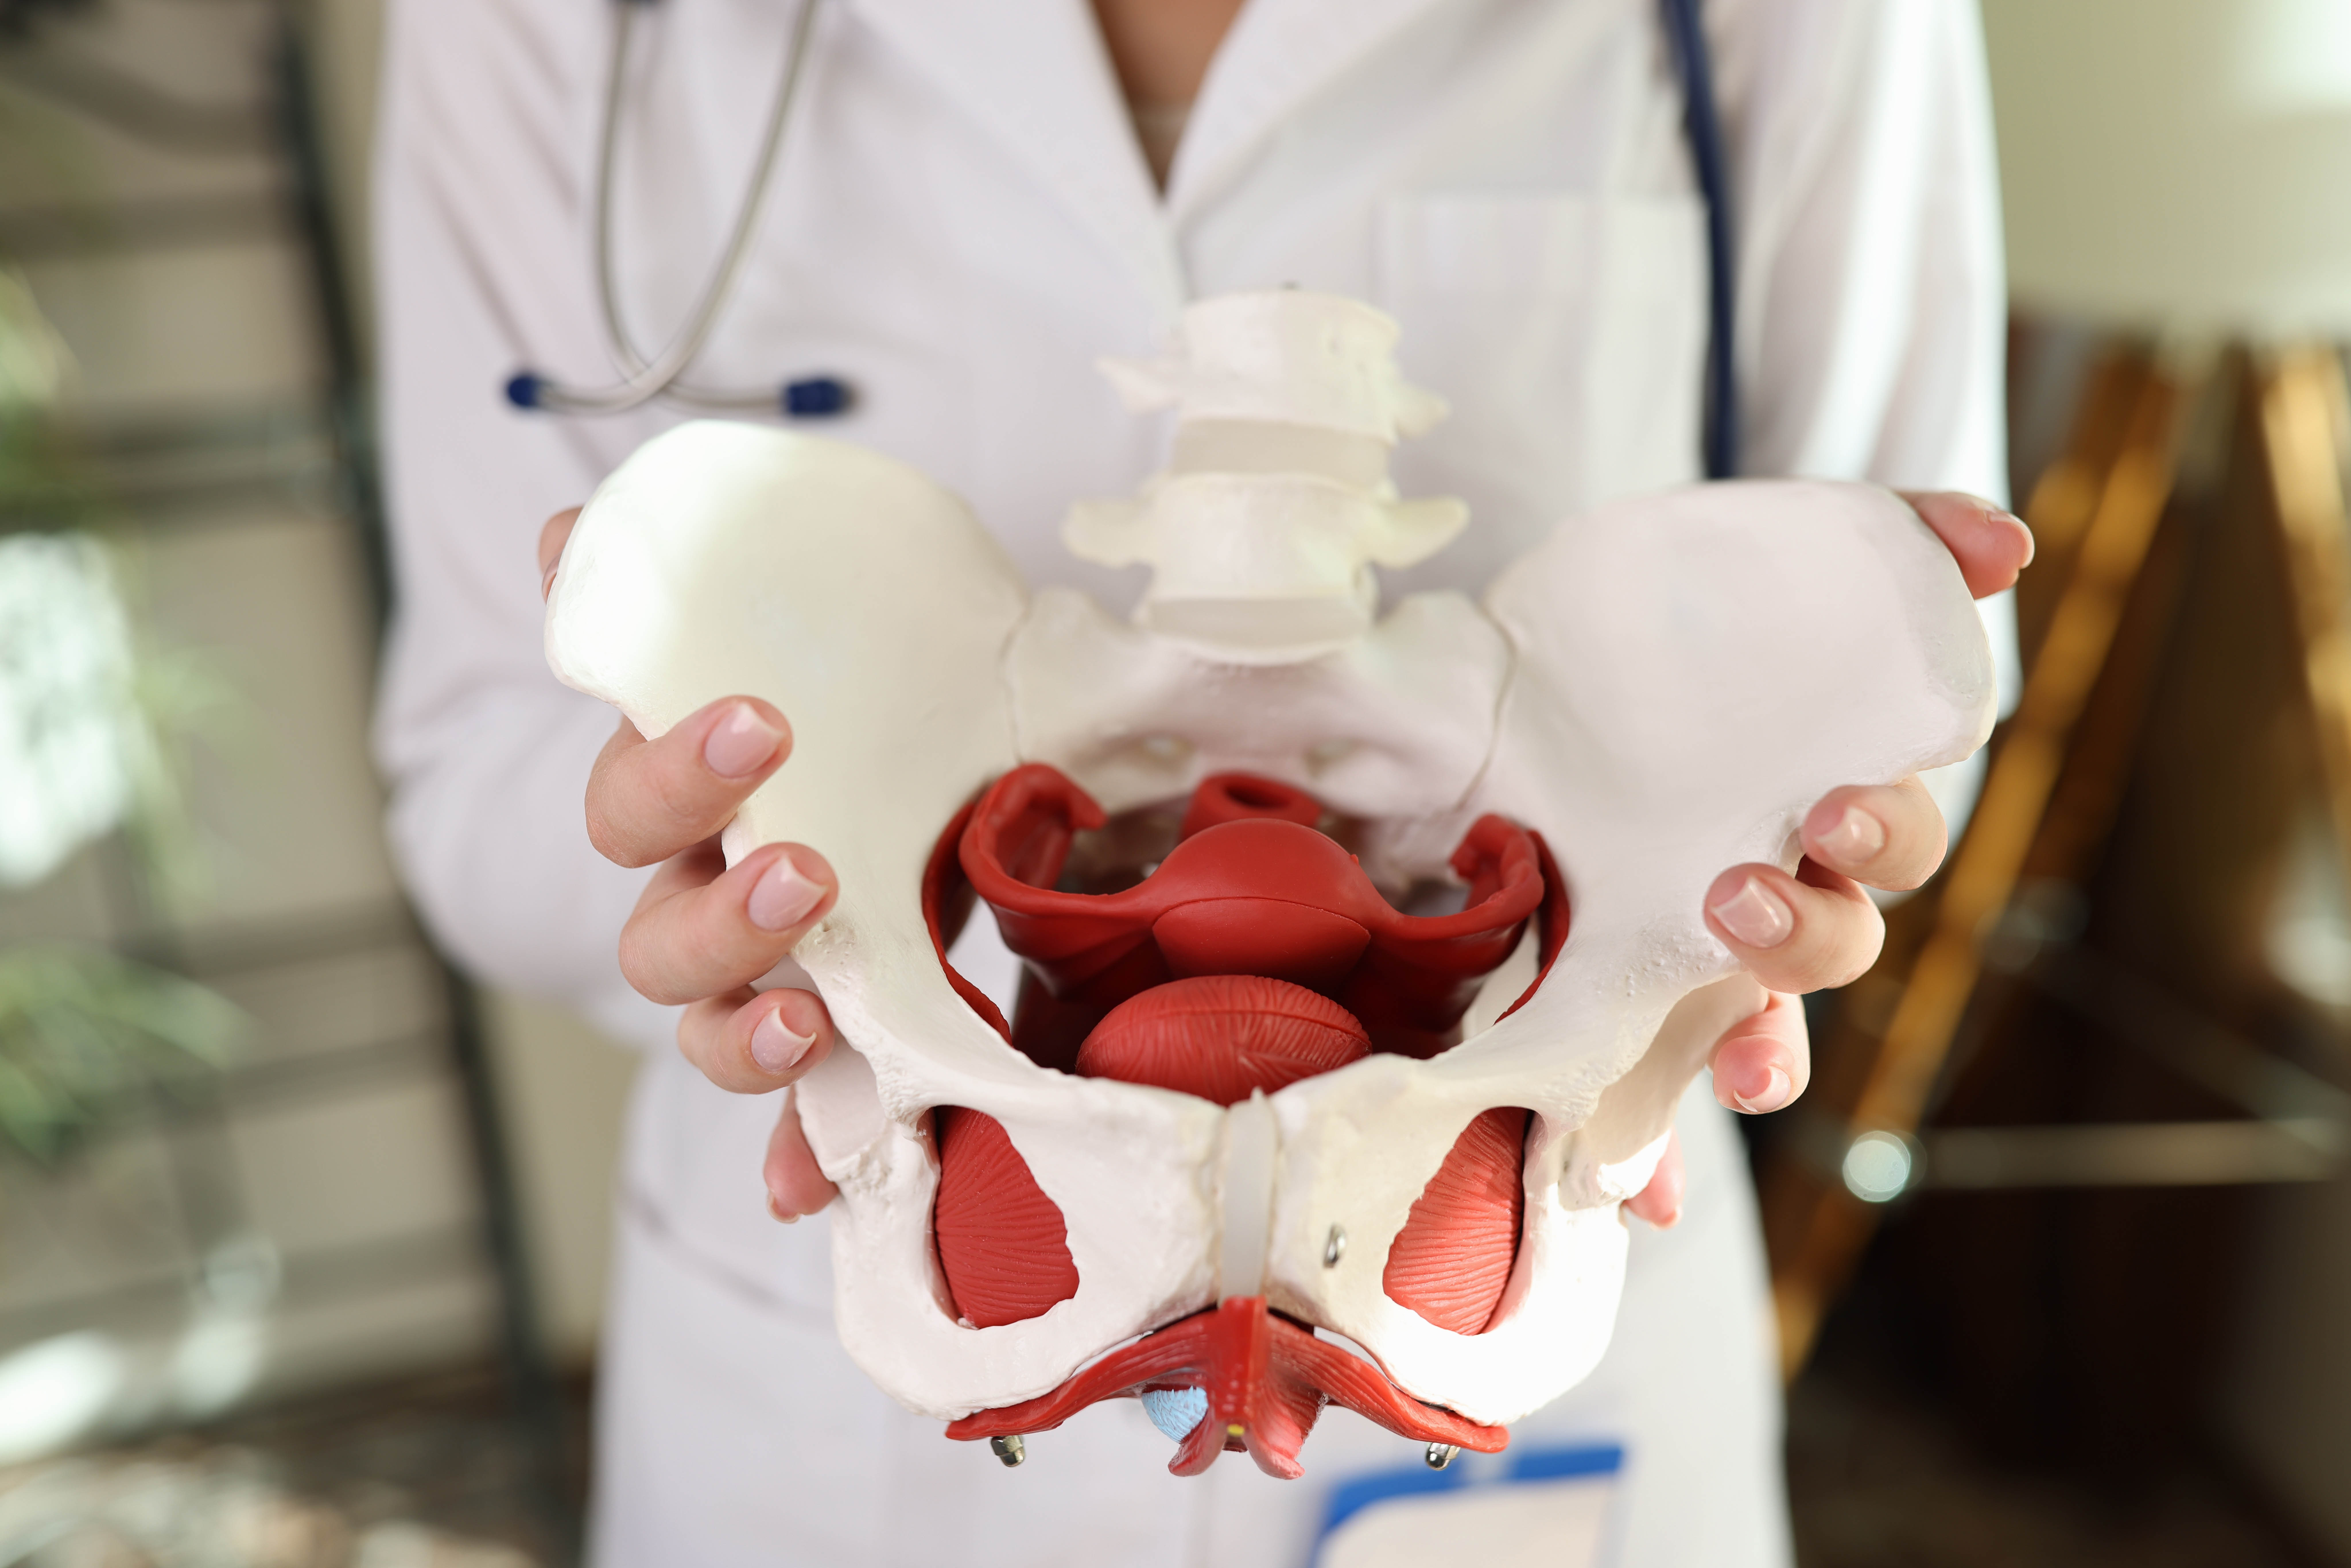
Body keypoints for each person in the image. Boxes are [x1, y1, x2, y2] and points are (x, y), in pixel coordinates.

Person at [371, 0, 2029, 1563]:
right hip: (827, 1393)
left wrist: (1752, 879)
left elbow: (1870, 682)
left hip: (1502, 1288)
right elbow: (483, 768)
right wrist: (747, 918)